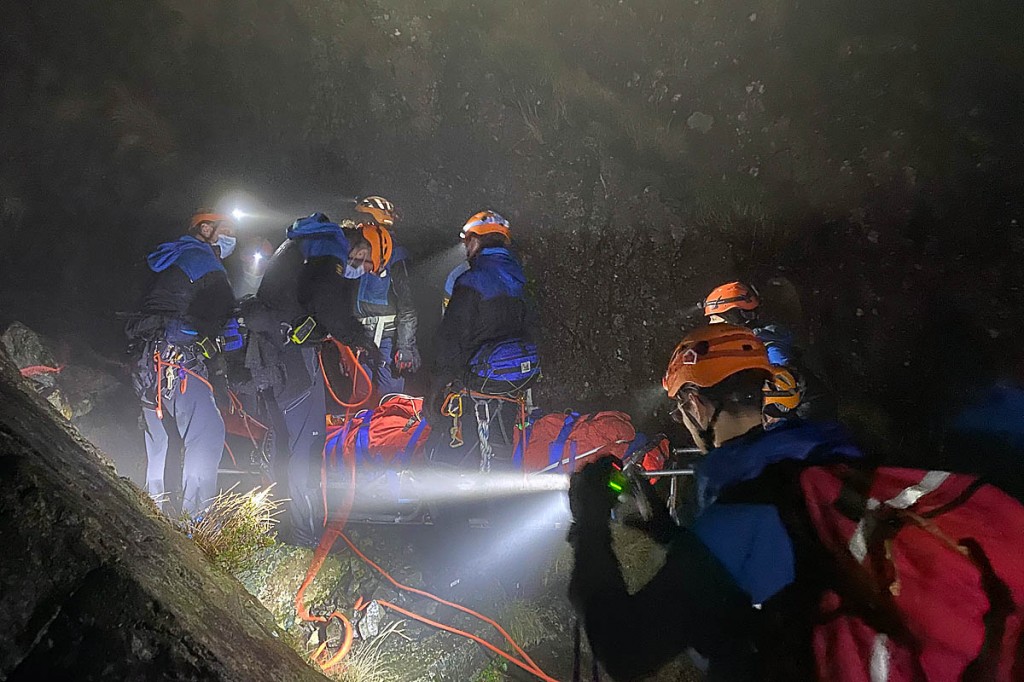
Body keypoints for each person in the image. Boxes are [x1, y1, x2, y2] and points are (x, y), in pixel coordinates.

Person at [567, 324, 862, 680]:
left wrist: (589, 525)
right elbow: (771, 570)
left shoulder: (739, 514)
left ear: (695, 404)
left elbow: (625, 652)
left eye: (681, 411)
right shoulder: (826, 465)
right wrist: (674, 538)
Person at [248, 212, 386, 545]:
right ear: (363, 243)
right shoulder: (329, 248)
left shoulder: (305, 245)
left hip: (270, 353)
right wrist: (360, 338)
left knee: (286, 442)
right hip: (290, 358)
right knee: (307, 444)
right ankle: (304, 537)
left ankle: (281, 526)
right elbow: (325, 303)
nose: (363, 269)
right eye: (368, 263)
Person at [128, 211, 242, 517]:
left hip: (147, 363)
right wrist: (222, 373)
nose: (233, 237)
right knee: (207, 435)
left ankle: (152, 514)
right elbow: (224, 317)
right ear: (206, 229)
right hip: (179, 363)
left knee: (159, 445)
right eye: (227, 230)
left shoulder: (168, 259)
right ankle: (198, 525)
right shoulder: (205, 262)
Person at [703, 280, 835, 420]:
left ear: (733, 318)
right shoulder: (760, 337)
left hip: (805, 416)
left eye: (715, 319)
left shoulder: (767, 344)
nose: (712, 326)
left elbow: (785, 378)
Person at [349, 196, 420, 396]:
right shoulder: (356, 253)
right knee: (359, 397)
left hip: (386, 340)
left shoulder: (395, 254)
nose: (357, 225)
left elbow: (408, 305)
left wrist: (405, 346)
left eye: (363, 220)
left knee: (389, 398)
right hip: (358, 337)